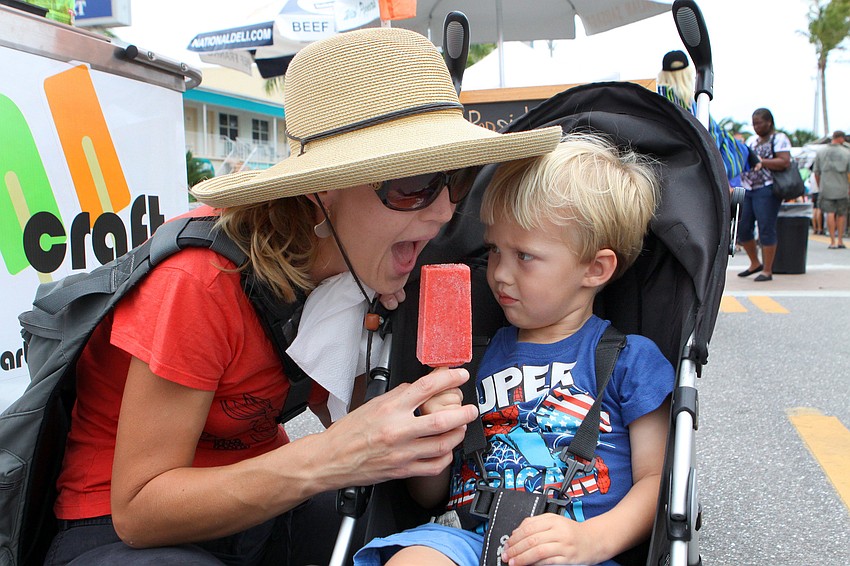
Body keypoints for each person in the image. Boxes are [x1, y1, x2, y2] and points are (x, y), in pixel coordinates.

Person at [43, 28, 562, 566]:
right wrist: (333, 456)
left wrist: (421, 426)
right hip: (120, 536)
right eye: (414, 183)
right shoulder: (199, 283)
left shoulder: (356, 275)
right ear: (322, 192)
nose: (445, 211)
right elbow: (139, 510)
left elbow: (355, 429)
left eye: (455, 179)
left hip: (260, 517)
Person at [353, 134, 674, 566]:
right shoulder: (470, 360)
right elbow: (427, 496)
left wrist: (593, 541)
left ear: (595, 269)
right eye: (493, 251)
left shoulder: (628, 360)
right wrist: (435, 439)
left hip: (574, 545)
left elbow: (657, 481)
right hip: (464, 535)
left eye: (524, 256)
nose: (499, 273)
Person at [656, 50, 758, 188]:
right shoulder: (696, 106)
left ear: (663, 74)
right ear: (688, 73)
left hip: (666, 175)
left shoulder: (657, 102)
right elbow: (713, 138)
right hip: (696, 176)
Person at [737, 108, 792, 282]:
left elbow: (784, 161)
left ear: (769, 122)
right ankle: (755, 263)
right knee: (743, 227)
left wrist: (762, 162)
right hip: (749, 188)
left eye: (759, 123)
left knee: (766, 228)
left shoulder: (779, 138)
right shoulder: (752, 141)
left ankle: (767, 270)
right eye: (753, 123)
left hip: (767, 189)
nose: (755, 127)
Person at [813, 130, 850, 249]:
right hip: (842, 188)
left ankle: (832, 241)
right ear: (840, 138)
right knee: (842, 214)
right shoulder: (847, 153)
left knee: (830, 213)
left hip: (826, 188)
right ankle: (840, 240)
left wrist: (820, 186)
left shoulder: (821, 152)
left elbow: (816, 172)